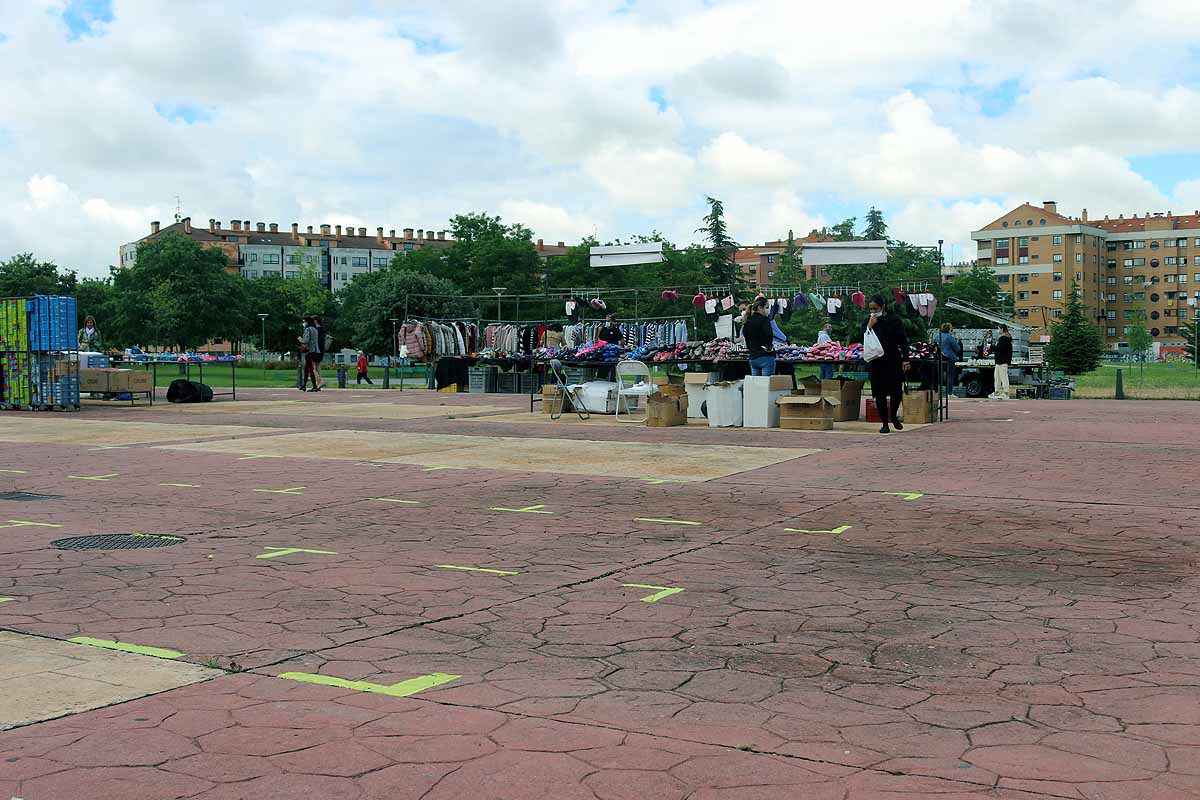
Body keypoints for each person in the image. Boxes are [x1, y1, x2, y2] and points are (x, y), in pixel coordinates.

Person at [864, 295, 909, 434]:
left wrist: (906, 359)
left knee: (896, 392)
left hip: (892, 360)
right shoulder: (868, 320)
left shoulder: (894, 320)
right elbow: (862, 338)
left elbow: (903, 340)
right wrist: (869, 326)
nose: (873, 311)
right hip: (876, 361)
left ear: (883, 307)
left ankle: (893, 416)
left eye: (875, 308)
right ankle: (884, 423)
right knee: (880, 394)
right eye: (871, 309)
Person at [744, 296, 775, 376]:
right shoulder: (764, 320)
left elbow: (746, 336)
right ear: (760, 308)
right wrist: (768, 346)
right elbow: (769, 334)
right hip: (765, 356)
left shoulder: (748, 321)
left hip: (753, 357)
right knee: (766, 382)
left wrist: (751, 348)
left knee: (756, 382)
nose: (768, 310)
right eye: (766, 307)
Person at [936, 323, 963, 392]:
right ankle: (949, 392)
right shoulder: (950, 337)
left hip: (939, 357)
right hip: (949, 358)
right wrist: (957, 340)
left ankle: (938, 391)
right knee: (950, 375)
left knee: (939, 375)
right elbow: (957, 349)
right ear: (949, 329)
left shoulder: (937, 337)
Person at [990, 324, 1013, 400]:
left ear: (1002, 329)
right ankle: (997, 391)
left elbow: (1000, 348)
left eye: (999, 328)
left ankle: (1006, 392)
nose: (998, 330)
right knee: (997, 377)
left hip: (1002, 360)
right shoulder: (1006, 338)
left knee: (1003, 377)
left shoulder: (1004, 338)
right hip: (1000, 361)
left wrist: (992, 347)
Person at [298, 317, 320, 391]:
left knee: (310, 368)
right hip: (315, 349)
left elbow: (306, 340)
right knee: (306, 368)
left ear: (307, 322)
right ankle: (304, 385)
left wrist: (300, 340)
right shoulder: (315, 329)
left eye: (304, 321)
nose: (303, 323)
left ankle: (314, 386)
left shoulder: (307, 329)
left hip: (309, 350)